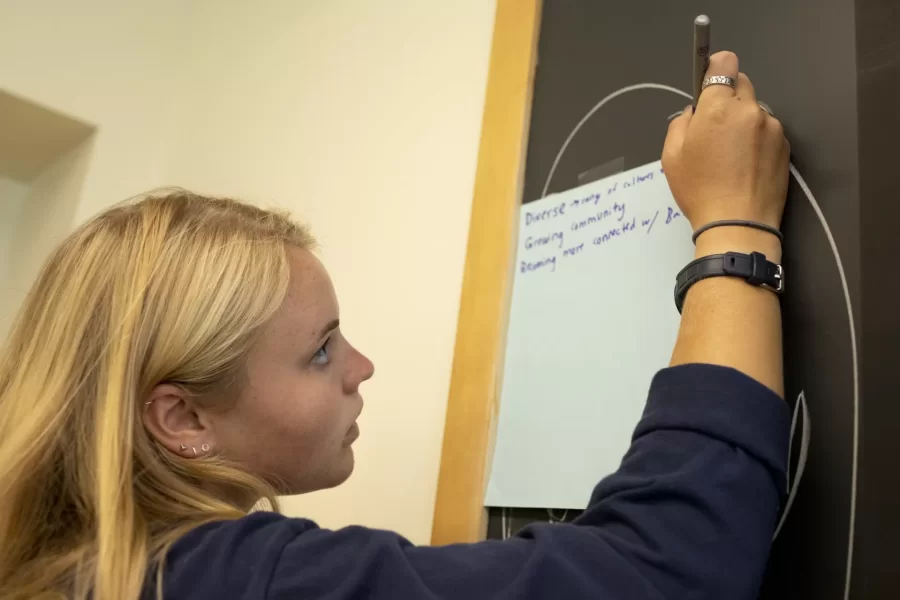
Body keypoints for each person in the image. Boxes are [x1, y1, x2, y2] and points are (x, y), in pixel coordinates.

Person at [0, 51, 790, 600]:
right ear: (183, 416)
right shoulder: (219, 579)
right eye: (319, 352)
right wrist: (735, 229)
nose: (361, 367)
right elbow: (663, 575)